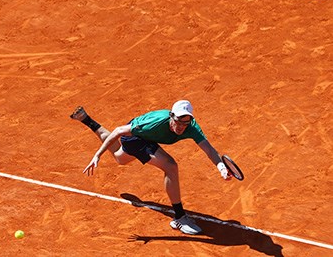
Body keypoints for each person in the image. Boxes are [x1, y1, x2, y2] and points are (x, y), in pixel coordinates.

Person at [71, 100, 230, 235]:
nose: (181, 126)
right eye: (178, 121)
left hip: (146, 138)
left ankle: (87, 120)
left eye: (185, 122)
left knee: (120, 158)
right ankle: (179, 218)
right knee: (171, 166)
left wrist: (221, 167)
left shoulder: (191, 127)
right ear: (171, 116)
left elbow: (208, 149)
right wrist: (98, 155)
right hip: (136, 136)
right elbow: (119, 130)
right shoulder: (152, 124)